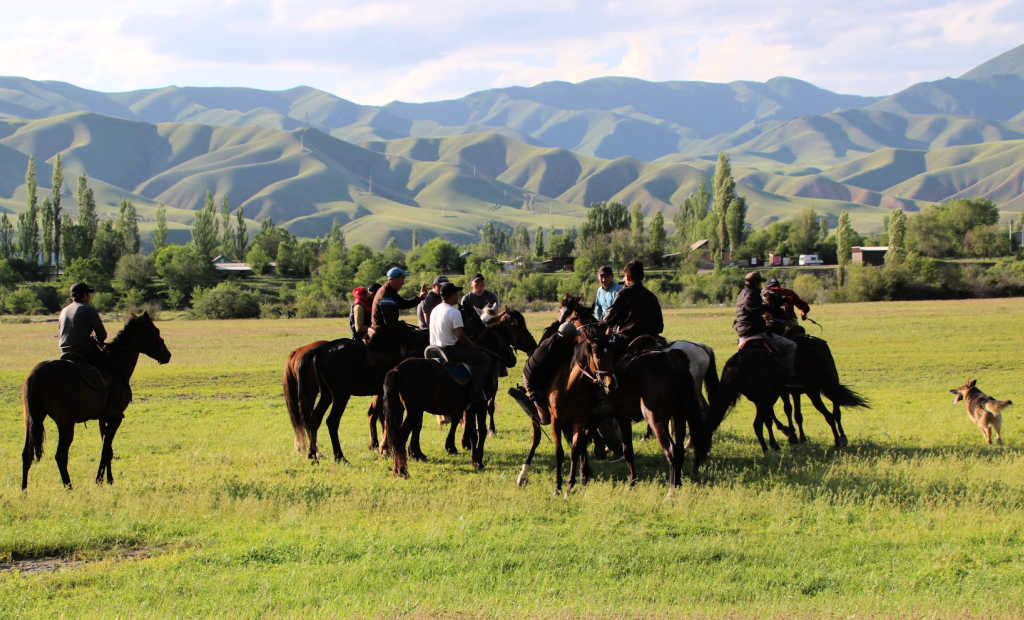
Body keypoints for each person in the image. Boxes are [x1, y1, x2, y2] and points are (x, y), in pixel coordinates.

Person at [58, 282, 122, 425]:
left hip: (65, 353)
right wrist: (95, 339)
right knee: (112, 371)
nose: (90, 297)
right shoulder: (88, 309)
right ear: (85, 295)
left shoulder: (64, 310)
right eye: (89, 294)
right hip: (84, 353)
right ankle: (111, 408)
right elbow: (102, 335)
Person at [429, 282, 495, 409]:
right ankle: (476, 394)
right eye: (456, 294)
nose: (458, 296)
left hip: (434, 350)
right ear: (452, 295)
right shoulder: (454, 312)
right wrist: (473, 346)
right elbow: (460, 336)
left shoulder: (435, 310)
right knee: (483, 358)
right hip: (450, 351)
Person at [733, 271, 797, 380]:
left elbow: (754, 308)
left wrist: (765, 310)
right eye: (760, 283)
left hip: (742, 334)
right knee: (791, 346)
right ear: (757, 283)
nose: (761, 286)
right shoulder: (753, 294)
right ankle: (788, 376)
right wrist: (770, 310)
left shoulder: (742, 293)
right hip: (754, 331)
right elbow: (757, 308)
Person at [519, 321, 580, 425]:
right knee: (545, 419)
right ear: (567, 338)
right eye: (573, 337)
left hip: (544, 374)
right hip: (532, 379)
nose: (575, 339)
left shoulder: (561, 342)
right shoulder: (551, 348)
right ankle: (524, 399)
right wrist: (535, 392)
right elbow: (539, 372)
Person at [600, 259, 663, 352]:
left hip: (627, 340)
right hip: (651, 340)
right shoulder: (652, 296)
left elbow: (607, 318)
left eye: (625, 277)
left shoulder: (623, 294)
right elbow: (660, 327)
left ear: (628, 277)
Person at [368, 267, 426, 354]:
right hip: (383, 333)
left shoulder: (390, 291)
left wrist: (420, 298)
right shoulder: (386, 295)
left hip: (385, 329)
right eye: (402, 279)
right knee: (418, 340)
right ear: (394, 279)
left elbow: (403, 304)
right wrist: (403, 325)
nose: (403, 283)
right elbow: (390, 323)